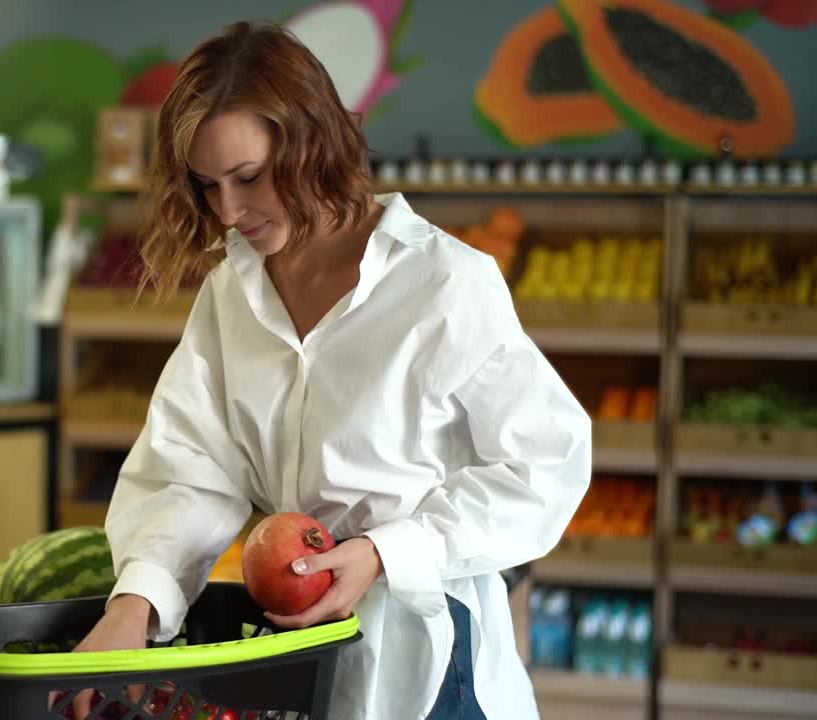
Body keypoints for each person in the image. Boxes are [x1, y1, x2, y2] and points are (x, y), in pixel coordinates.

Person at [69, 20, 592, 720]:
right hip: (296, 648)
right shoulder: (233, 293)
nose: (229, 210)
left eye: (249, 177)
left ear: (311, 139)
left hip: (427, 662)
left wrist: (386, 552)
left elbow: (546, 461)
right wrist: (136, 606)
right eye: (207, 185)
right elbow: (189, 464)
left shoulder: (443, 283)